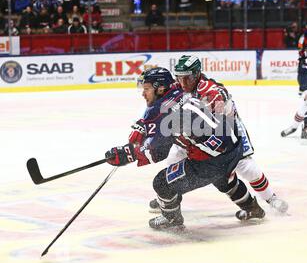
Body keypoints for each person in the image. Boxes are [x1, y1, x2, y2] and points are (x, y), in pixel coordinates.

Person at [105, 67, 265, 230]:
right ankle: (253, 209)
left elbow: (157, 153)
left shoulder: (168, 114)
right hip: (232, 146)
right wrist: (143, 126)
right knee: (224, 180)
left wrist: (126, 155)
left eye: (146, 89)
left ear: (160, 88)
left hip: (211, 162)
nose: (143, 93)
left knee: (161, 183)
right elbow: (157, 119)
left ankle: (172, 219)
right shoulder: (178, 91)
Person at [148, 56, 288, 213]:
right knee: (174, 158)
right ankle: (168, 197)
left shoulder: (209, 89)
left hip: (227, 131)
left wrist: (215, 103)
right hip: (197, 135)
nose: (183, 83)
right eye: (180, 78)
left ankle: (271, 198)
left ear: (196, 74)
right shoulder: (180, 85)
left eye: (187, 78)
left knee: (246, 166)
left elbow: (219, 98)